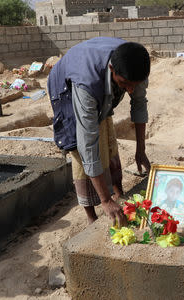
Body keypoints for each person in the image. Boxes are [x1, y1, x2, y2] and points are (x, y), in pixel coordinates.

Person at [48, 37, 151, 226]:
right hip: (67, 85)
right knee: (79, 145)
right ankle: (92, 215)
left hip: (97, 75)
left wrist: (141, 150)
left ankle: (118, 193)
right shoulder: (86, 85)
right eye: (125, 83)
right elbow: (87, 142)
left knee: (107, 132)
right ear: (112, 70)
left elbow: (139, 106)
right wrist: (104, 200)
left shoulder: (135, 65)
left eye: (134, 85)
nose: (130, 90)